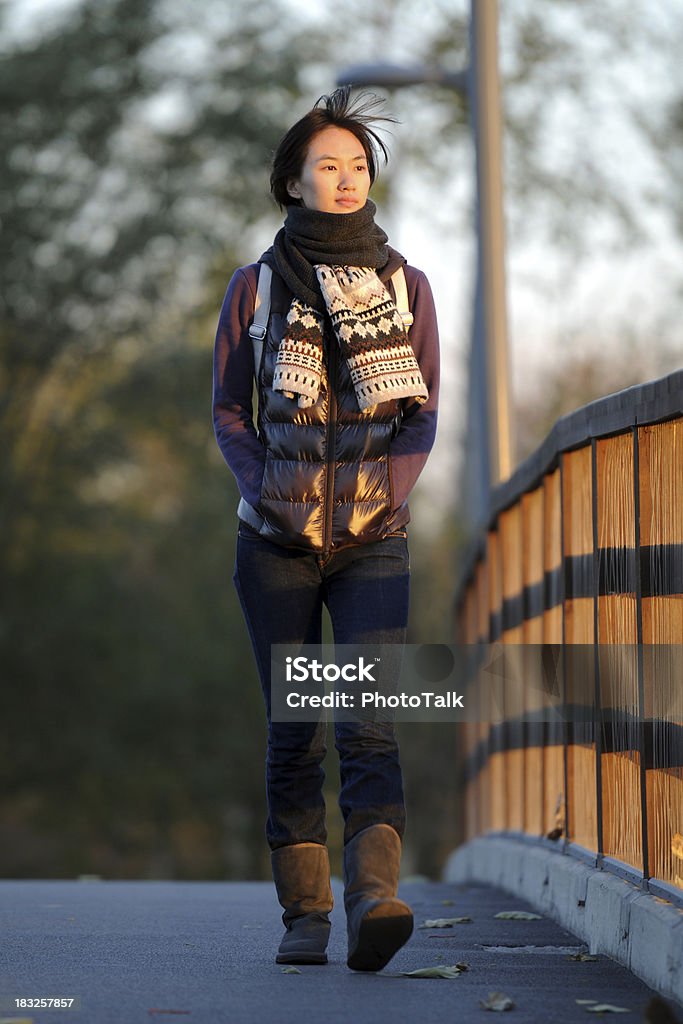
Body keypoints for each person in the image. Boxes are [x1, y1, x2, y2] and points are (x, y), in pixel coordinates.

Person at [212, 86, 440, 972]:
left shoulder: (403, 285)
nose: (345, 180)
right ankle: (304, 915)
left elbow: (419, 413)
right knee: (295, 725)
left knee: (369, 718)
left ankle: (374, 900)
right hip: (272, 540)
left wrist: (389, 488)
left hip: (373, 539)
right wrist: (266, 489)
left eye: (357, 167)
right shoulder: (256, 287)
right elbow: (230, 410)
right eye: (327, 167)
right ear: (292, 182)